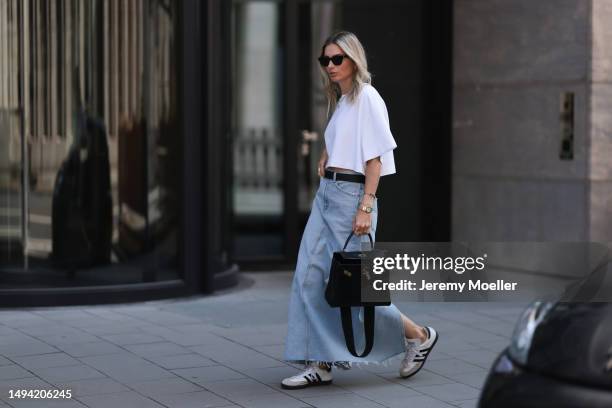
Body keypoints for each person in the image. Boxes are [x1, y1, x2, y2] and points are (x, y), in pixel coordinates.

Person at [281, 31, 438, 390]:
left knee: (354, 288)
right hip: (328, 196)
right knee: (308, 277)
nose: (331, 66)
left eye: (338, 59)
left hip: (352, 199)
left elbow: (375, 159)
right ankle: (319, 363)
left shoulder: (368, 97)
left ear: (354, 60)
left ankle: (419, 335)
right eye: (326, 60)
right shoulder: (343, 100)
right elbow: (344, 141)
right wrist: (327, 155)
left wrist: (366, 206)